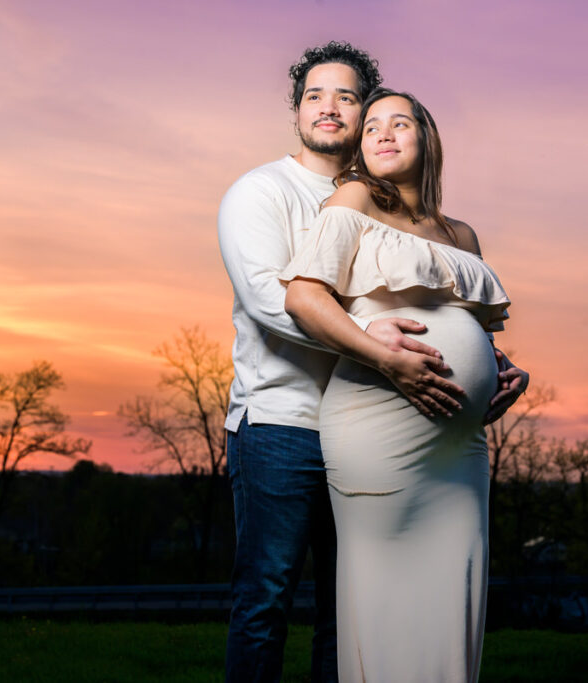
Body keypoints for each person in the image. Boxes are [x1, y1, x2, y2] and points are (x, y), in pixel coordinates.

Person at [218, 42, 529, 682]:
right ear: (296, 110)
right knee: (266, 601)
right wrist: (373, 342)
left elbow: (423, 298)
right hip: (282, 420)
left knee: (349, 608)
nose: (330, 108)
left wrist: (489, 363)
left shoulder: (386, 200)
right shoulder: (263, 191)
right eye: (314, 95)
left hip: (389, 419)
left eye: (348, 96)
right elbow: (275, 300)